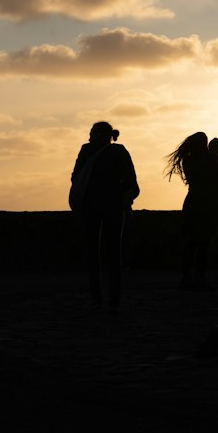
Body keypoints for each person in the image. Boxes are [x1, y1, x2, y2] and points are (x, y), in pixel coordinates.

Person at [69, 121, 139, 313]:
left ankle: (96, 299)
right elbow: (131, 181)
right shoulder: (120, 151)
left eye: (91, 132)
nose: (89, 136)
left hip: (90, 206)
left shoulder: (86, 150)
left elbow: (75, 177)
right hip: (114, 206)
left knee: (93, 252)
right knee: (114, 253)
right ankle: (114, 301)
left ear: (97, 134)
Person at [165, 131, 218, 290]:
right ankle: (200, 278)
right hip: (209, 202)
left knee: (190, 241)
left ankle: (186, 277)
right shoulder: (213, 158)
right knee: (204, 242)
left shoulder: (187, 160)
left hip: (192, 201)